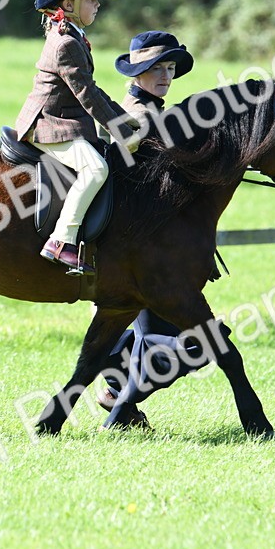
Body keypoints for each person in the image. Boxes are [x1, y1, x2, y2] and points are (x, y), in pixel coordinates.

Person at [14, 0, 140, 274]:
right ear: (68, 4)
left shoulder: (70, 36)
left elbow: (92, 89)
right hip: (47, 124)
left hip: (63, 120)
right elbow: (86, 96)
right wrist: (120, 131)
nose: (98, 4)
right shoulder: (65, 43)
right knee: (96, 169)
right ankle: (62, 240)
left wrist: (123, 120)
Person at [99, 31, 202, 420]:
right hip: (142, 248)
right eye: (155, 68)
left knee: (177, 340)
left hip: (154, 246)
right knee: (189, 346)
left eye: (170, 68)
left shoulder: (156, 111)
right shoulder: (140, 116)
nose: (165, 76)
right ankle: (117, 399)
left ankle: (114, 387)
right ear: (138, 73)